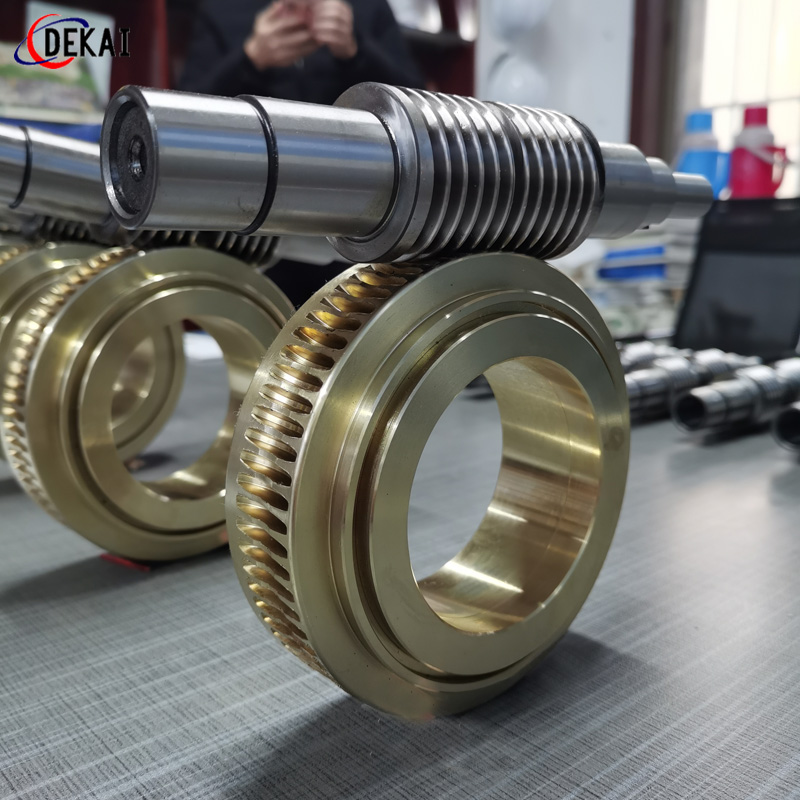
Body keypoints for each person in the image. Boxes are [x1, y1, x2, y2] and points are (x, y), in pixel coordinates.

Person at [180, 0, 425, 103]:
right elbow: (187, 108)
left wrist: (355, 51)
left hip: (354, 159)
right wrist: (251, 59)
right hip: (250, 160)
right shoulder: (223, 9)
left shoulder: (368, 7)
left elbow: (416, 100)